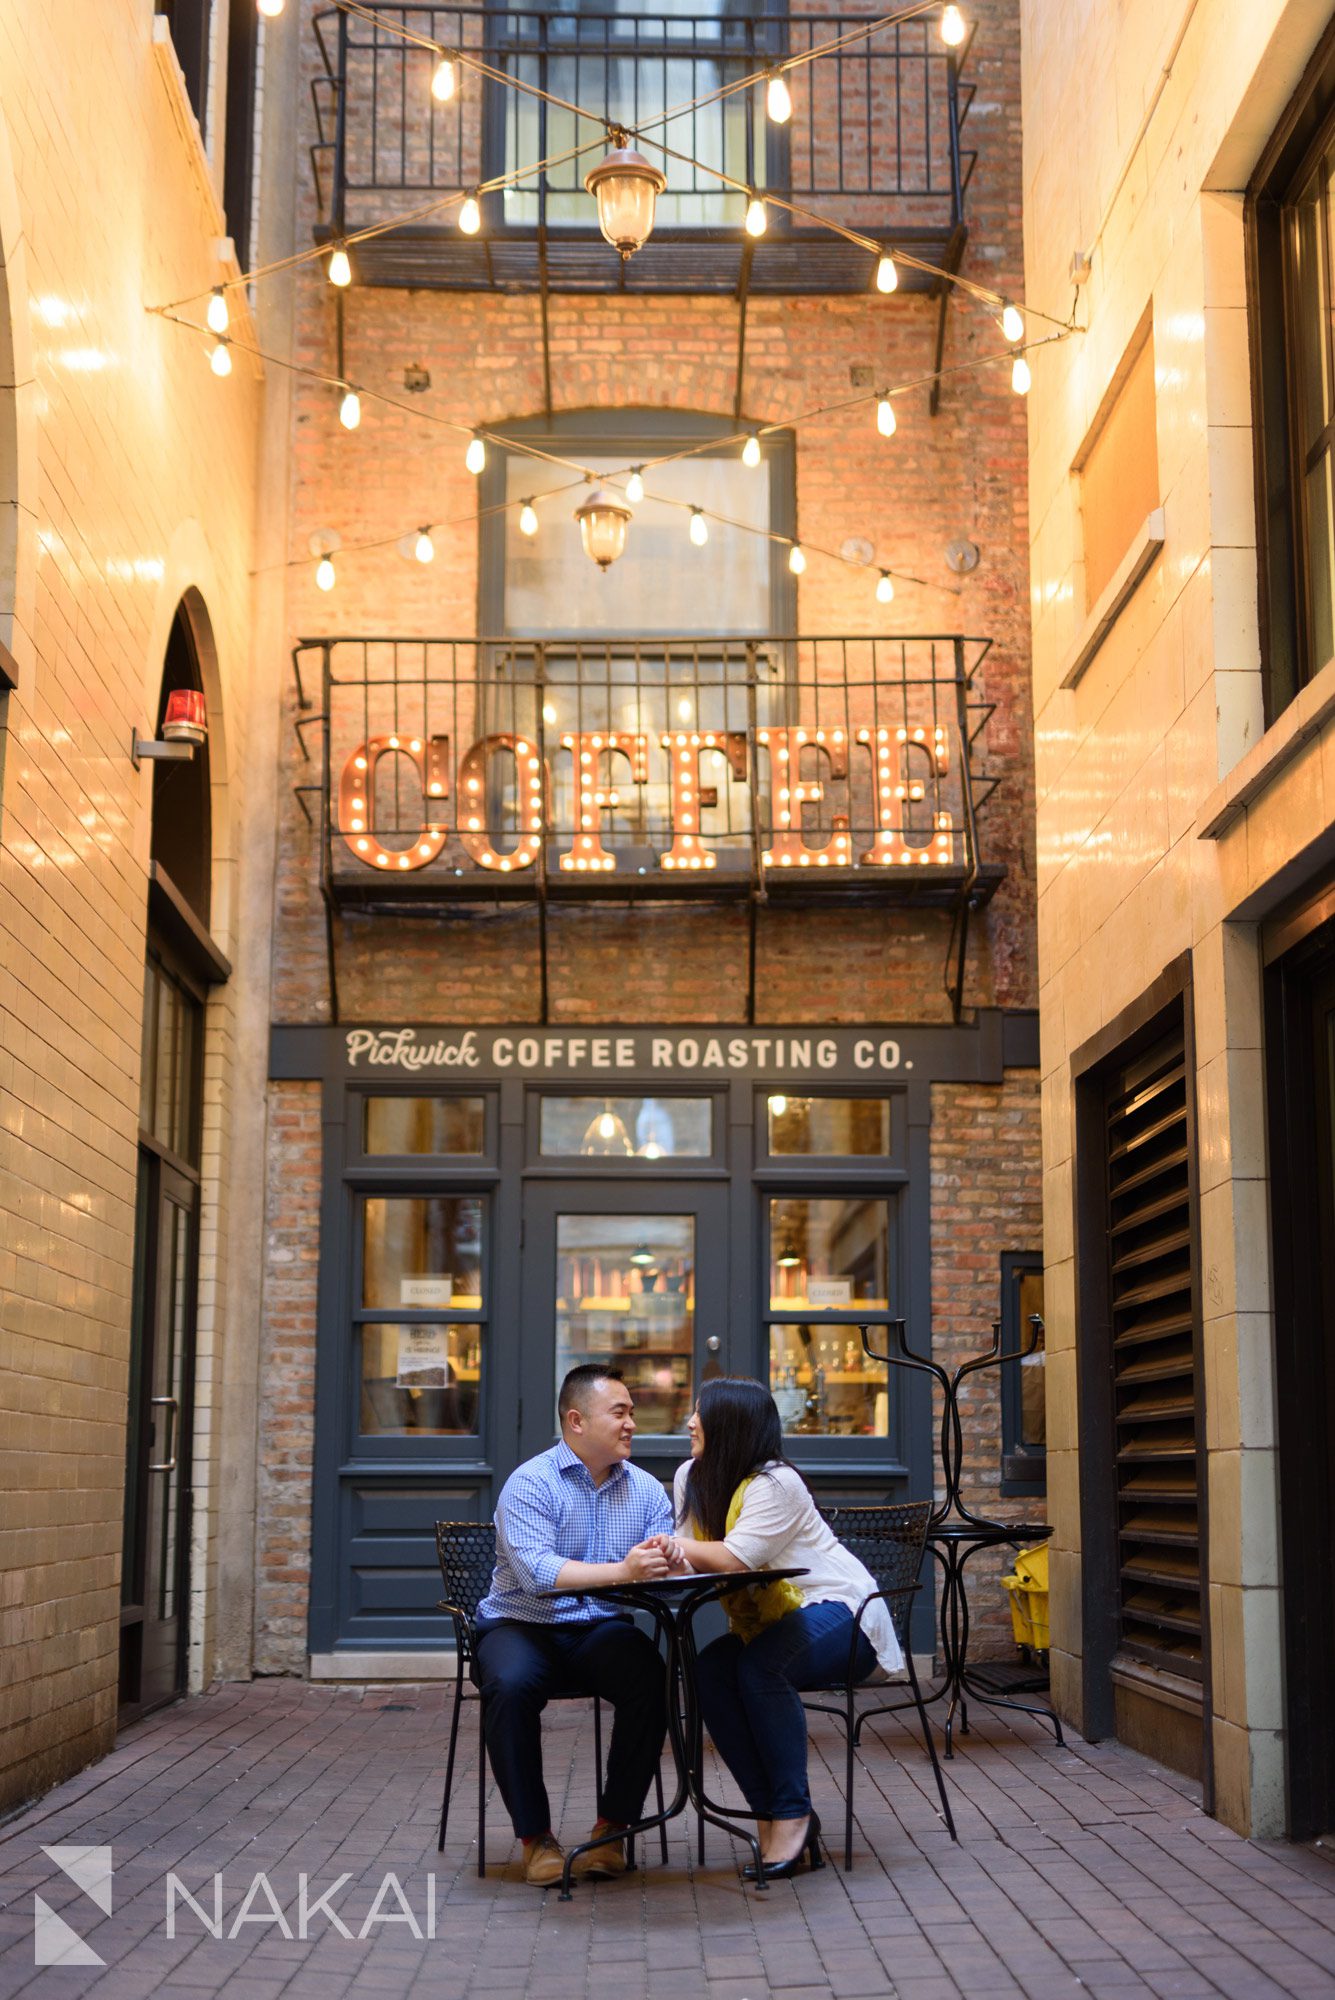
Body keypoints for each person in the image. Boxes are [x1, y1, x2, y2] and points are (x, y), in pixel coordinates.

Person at [656, 1376, 904, 1879]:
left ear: (729, 1425)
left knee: (762, 1667)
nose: (689, 1422)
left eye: (699, 1412)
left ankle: (792, 1814)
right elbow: (691, 1557)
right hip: (772, 1622)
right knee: (709, 1671)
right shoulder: (692, 1476)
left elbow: (734, 1557)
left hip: (843, 1611)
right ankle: (769, 1811)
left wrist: (669, 1548)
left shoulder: (777, 1484)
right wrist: (660, 1555)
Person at [473, 1364, 674, 1886]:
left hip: (597, 1629)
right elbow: (539, 1577)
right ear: (577, 1421)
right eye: (620, 1412)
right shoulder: (530, 1483)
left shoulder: (649, 1491)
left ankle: (614, 1828)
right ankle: (535, 1839)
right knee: (511, 1685)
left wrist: (672, 1561)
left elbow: (660, 1581)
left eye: (632, 1412)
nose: (632, 1423)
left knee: (649, 1675)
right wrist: (625, 1571)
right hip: (521, 1623)